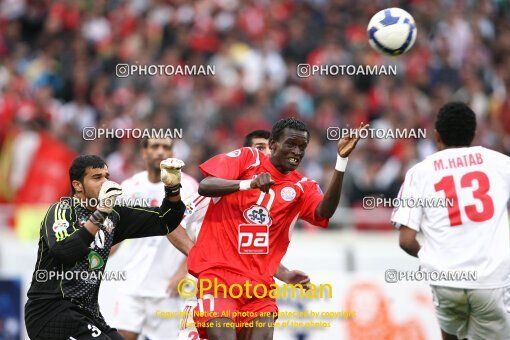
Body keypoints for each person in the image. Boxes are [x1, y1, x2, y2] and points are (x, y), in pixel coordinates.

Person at [187, 117, 368, 340]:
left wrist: (341, 161)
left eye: (302, 147)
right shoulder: (248, 159)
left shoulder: (302, 187)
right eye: (291, 144)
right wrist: (249, 184)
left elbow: (324, 212)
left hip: (259, 286)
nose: (297, 151)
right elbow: (206, 185)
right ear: (272, 144)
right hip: (219, 278)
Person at [24, 154, 186, 339]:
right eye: (96, 177)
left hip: (88, 313)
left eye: (106, 177)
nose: (104, 182)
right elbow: (64, 251)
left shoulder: (114, 215)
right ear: (78, 185)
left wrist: (173, 189)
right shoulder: (63, 210)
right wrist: (101, 213)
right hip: (51, 311)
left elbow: (165, 221)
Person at [391, 102, 510, 340]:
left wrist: (436, 256)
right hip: (491, 279)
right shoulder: (501, 164)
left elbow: (406, 241)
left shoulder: (419, 172)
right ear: (473, 133)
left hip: (446, 279)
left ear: (437, 135)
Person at [178, 129, 312, 340]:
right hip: (207, 286)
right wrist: (195, 252)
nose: (265, 153)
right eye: (259, 148)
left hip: (249, 290)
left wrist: (284, 273)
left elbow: (254, 252)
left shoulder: (270, 204)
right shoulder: (218, 192)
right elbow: (171, 223)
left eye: (269, 148)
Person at [111, 138, 198, 340]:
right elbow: (116, 235)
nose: (161, 152)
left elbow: (200, 236)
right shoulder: (129, 187)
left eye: (166, 147)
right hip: (131, 284)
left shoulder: (189, 187)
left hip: (167, 289)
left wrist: (182, 271)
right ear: (144, 153)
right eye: (155, 147)